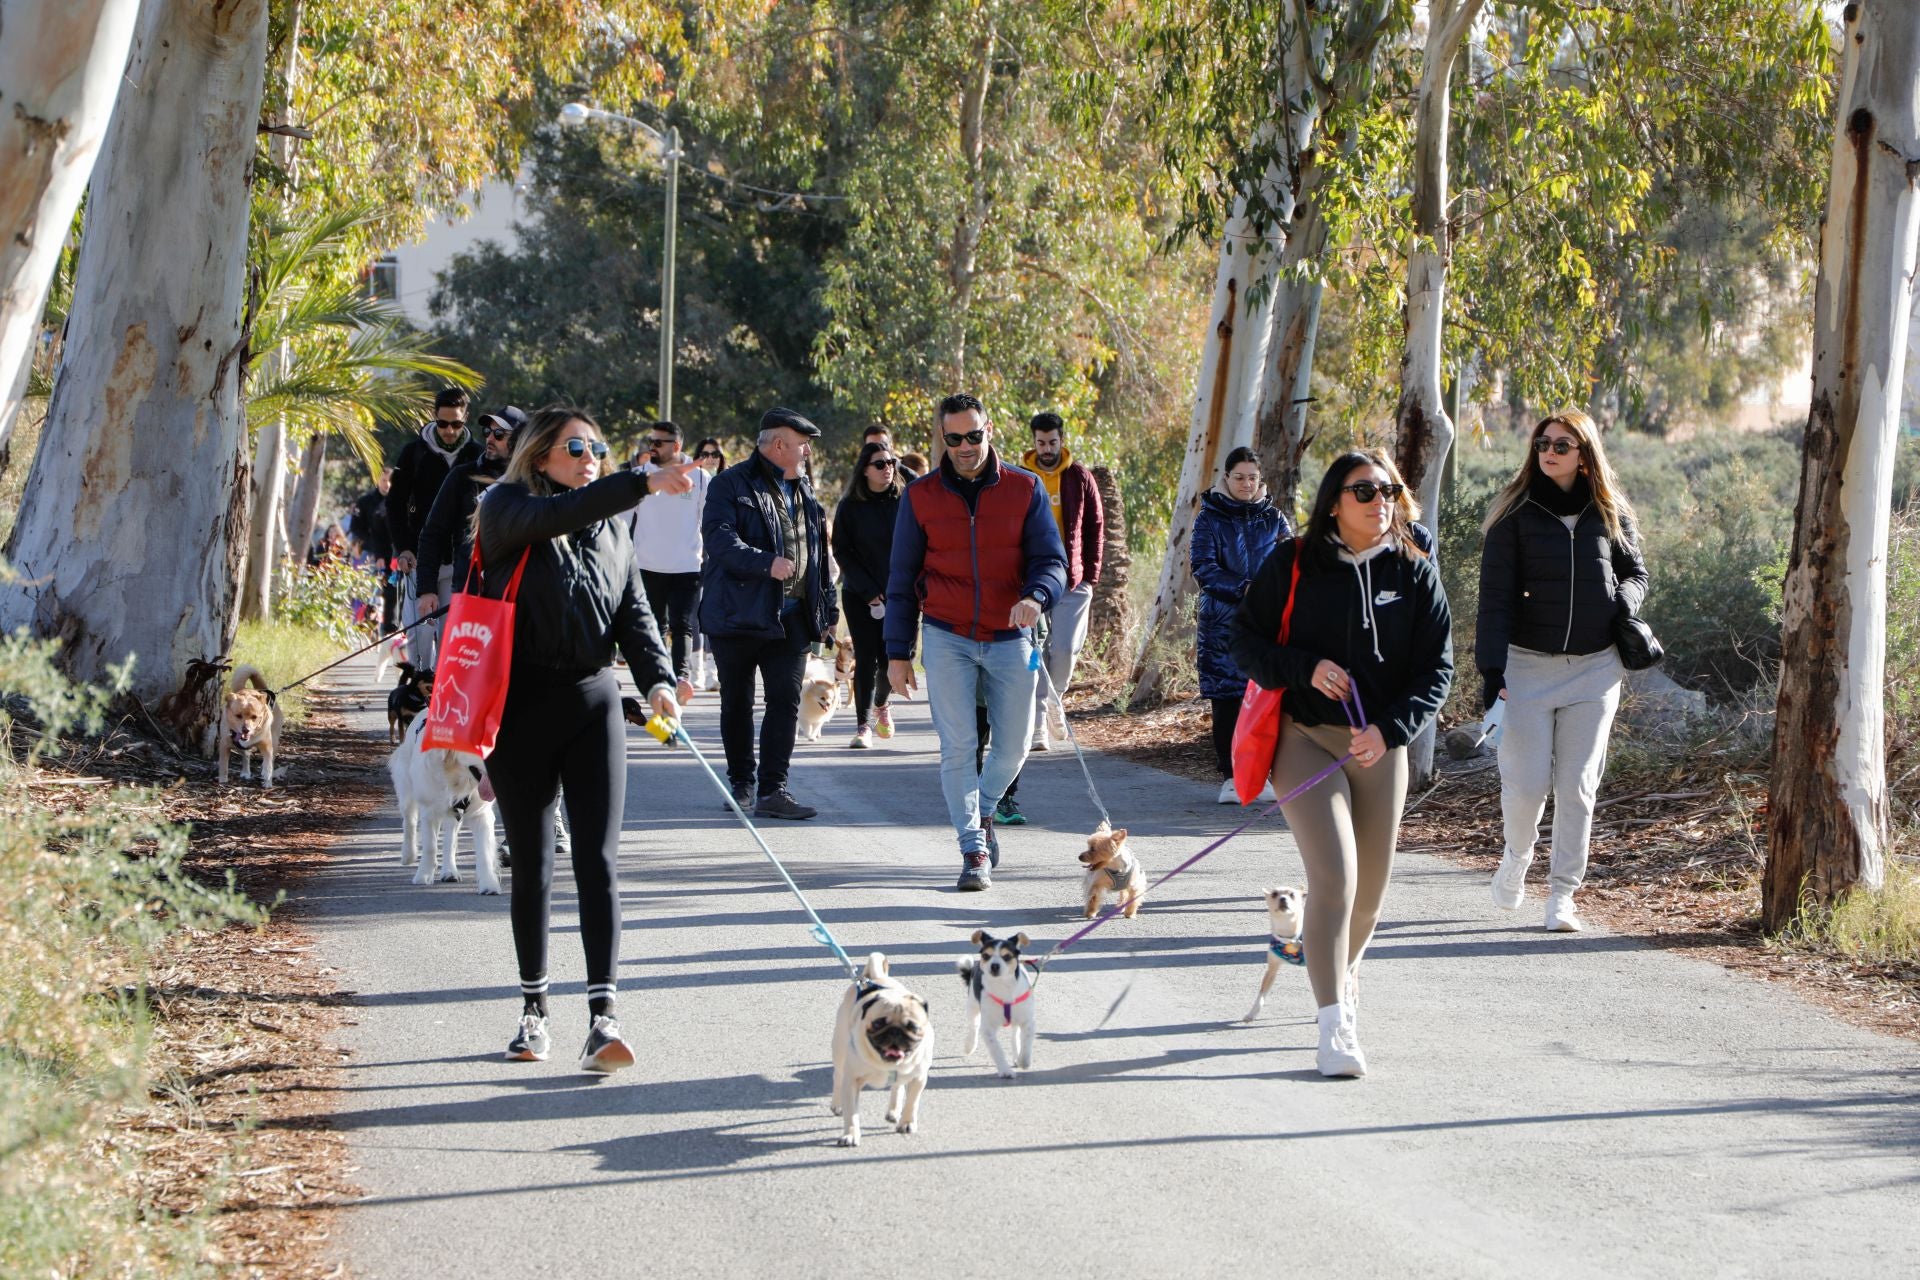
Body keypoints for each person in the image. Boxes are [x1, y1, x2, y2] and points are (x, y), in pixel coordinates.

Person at [474, 406, 696, 1072]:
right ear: (541, 454)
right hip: (518, 705)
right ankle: (534, 1010)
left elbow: (636, 616)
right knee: (535, 864)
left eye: (597, 446)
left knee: (598, 862)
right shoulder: (506, 506)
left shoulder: (612, 528)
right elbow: (554, 519)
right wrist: (643, 480)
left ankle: (603, 1017)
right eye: (576, 447)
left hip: (593, 700)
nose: (589, 455)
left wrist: (659, 681)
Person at [1229, 450, 1452, 1078]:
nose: (1380, 500)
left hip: (1380, 745)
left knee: (1371, 897)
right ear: (1334, 501)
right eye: (1363, 491)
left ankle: (1342, 975)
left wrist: (1389, 729)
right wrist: (1305, 666)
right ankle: (1333, 1026)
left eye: (1388, 489)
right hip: (1305, 739)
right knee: (1336, 881)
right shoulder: (1294, 561)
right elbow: (1244, 641)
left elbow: (1438, 669)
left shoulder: (1414, 568)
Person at [886, 393, 1067, 891]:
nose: (964, 446)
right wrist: (897, 653)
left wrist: (1037, 595)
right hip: (946, 635)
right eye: (953, 438)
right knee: (959, 747)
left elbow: (1053, 562)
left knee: (1012, 749)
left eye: (973, 435)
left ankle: (983, 812)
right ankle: (973, 848)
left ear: (989, 430)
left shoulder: (1024, 488)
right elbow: (901, 578)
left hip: (1012, 636)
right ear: (942, 438)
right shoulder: (920, 497)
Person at [1477, 409, 1647, 934]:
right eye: (1543, 443)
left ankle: (1563, 897)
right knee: (1526, 787)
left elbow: (1636, 572)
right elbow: (1495, 601)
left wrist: (1624, 600)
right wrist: (1491, 674)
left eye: (1562, 445)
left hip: (1596, 669)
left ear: (1585, 454)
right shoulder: (1514, 514)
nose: (1549, 452)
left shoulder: (1610, 509)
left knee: (1577, 786)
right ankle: (1516, 856)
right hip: (1526, 668)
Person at [700, 407, 839, 819]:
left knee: (785, 702)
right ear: (779, 445)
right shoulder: (730, 484)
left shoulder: (806, 490)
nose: (807, 450)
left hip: (792, 617)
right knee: (737, 702)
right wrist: (766, 563)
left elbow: (818, 555)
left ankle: (773, 791)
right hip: (738, 614)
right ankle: (742, 784)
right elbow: (719, 539)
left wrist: (828, 607)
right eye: (801, 444)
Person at [1192, 446, 1288, 804]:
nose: (1246, 484)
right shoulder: (1209, 518)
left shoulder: (1275, 519)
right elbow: (1203, 567)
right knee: (1228, 699)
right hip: (1222, 623)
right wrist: (1244, 588)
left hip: (1268, 624)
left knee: (1268, 698)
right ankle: (1232, 777)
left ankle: (1266, 775)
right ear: (1226, 478)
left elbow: (1289, 562)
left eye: (1252, 478)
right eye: (1239, 477)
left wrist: (1273, 595)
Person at [1021, 411, 1104, 752]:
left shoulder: (1079, 477)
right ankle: (1039, 722)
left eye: (1052, 442)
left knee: (1065, 649)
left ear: (1062, 440)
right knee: (1036, 651)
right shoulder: (1021, 477)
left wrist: (1092, 576)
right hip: (1032, 579)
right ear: (1034, 442)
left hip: (1074, 579)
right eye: (1041, 443)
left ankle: (1055, 700)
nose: (1047, 449)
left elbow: (1096, 526)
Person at [387, 388, 481, 669]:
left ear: (466, 420)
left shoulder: (476, 455)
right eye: (442, 423)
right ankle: (419, 690)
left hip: (459, 562)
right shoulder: (413, 453)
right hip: (419, 560)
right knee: (421, 630)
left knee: (451, 634)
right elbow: (395, 505)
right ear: (433, 418)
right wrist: (403, 547)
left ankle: (444, 696)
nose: (449, 431)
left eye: (456, 424)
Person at [415, 406, 527, 616]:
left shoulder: (533, 483)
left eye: (499, 434)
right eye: (487, 432)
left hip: (519, 600)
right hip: (470, 593)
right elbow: (433, 533)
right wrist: (427, 590)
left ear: (520, 440)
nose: (490, 438)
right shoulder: (462, 476)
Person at [831, 441, 903, 748]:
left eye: (891, 463)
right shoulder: (850, 506)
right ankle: (863, 726)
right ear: (864, 470)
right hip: (860, 595)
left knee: (893, 659)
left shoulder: (904, 499)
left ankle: (881, 703)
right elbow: (841, 551)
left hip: (900, 594)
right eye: (879, 464)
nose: (887, 469)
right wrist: (870, 592)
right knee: (867, 659)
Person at [630, 420, 710, 688]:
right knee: (654, 625)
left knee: (683, 626)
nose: (651, 447)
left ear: (676, 446)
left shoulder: (699, 477)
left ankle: (681, 678)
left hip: (687, 565)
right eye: (650, 442)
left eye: (657, 443)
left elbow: (708, 519)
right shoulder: (641, 475)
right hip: (647, 564)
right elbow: (624, 519)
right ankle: (658, 677)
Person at [349, 470, 396, 632]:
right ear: (377, 481)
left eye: (389, 481)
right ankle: (364, 626)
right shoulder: (364, 502)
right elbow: (355, 528)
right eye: (384, 480)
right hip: (369, 553)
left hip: (391, 555)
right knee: (367, 592)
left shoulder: (397, 501)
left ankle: (387, 628)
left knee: (390, 593)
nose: (387, 484)